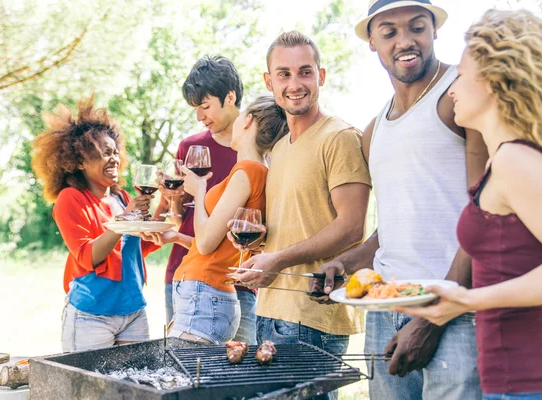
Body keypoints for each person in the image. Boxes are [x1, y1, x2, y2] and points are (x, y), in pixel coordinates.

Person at [395, 9, 542, 399]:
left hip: (540, 383)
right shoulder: (502, 161)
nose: (453, 88)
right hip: (510, 381)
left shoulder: (517, 160)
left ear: (494, 80)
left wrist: (468, 300)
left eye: (460, 75)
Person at [313, 1, 488, 399]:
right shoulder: (374, 130)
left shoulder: (460, 96)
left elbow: (489, 211)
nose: (405, 41)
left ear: (435, 31)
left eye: (417, 27)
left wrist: (432, 320)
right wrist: (347, 262)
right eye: (389, 32)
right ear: (372, 42)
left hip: (456, 312)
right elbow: (393, 227)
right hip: (384, 311)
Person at [231, 31, 371, 400]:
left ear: (321, 76)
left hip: (314, 312)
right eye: (284, 74)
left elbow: (352, 224)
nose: (295, 84)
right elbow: (294, 222)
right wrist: (257, 241)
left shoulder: (339, 137)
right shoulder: (278, 148)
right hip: (271, 305)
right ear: (268, 81)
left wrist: (278, 259)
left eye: (304, 72)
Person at [143, 95, 289, 344]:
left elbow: (207, 243)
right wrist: (178, 237)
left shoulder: (246, 171)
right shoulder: (260, 172)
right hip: (206, 295)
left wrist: (199, 189)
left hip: (204, 295)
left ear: (248, 121)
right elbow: (219, 246)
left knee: (182, 377)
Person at [31, 96, 160, 352]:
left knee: (133, 387)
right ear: (79, 162)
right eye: (103, 153)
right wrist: (124, 220)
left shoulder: (122, 198)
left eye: (114, 152)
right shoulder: (70, 198)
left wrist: (167, 203)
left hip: (133, 312)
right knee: (90, 389)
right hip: (92, 316)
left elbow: (135, 250)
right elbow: (88, 257)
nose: (113, 159)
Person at [153, 55, 258, 344]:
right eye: (196, 108)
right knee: (187, 372)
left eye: (205, 106)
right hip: (189, 277)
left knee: (241, 377)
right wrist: (171, 199)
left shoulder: (257, 150)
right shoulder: (191, 146)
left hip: (240, 282)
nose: (199, 116)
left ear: (230, 97)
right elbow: (178, 215)